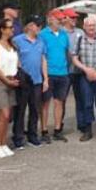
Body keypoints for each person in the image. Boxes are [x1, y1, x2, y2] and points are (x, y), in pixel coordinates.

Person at [72, 16, 96, 143]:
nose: (91, 28)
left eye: (93, 25)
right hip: (85, 76)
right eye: (89, 25)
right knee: (87, 103)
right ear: (84, 26)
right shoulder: (79, 40)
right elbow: (74, 58)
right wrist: (86, 69)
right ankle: (88, 130)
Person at [12, 15, 48, 148]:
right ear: (29, 26)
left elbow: (43, 60)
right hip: (23, 81)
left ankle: (32, 135)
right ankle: (18, 137)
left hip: (37, 80)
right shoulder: (17, 40)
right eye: (37, 25)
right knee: (20, 110)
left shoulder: (41, 41)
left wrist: (46, 79)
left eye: (40, 25)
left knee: (35, 109)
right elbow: (15, 59)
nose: (39, 28)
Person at [0, 18, 20, 158]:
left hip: (12, 80)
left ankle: (3, 142)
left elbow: (17, 63)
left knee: (8, 117)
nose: (12, 30)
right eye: (10, 27)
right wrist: (6, 80)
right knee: (3, 114)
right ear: (2, 29)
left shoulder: (12, 45)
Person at [39, 9, 71, 144]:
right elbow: (41, 56)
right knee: (45, 103)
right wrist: (44, 76)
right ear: (50, 19)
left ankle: (58, 130)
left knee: (59, 103)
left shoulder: (64, 34)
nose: (61, 21)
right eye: (58, 18)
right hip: (49, 73)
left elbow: (67, 53)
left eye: (62, 18)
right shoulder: (43, 34)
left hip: (63, 73)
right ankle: (44, 130)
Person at [62, 8, 85, 133]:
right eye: (72, 18)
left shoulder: (80, 32)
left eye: (75, 18)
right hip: (64, 71)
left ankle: (82, 124)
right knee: (61, 99)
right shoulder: (60, 32)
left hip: (78, 71)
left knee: (80, 98)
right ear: (65, 19)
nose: (74, 20)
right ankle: (58, 125)